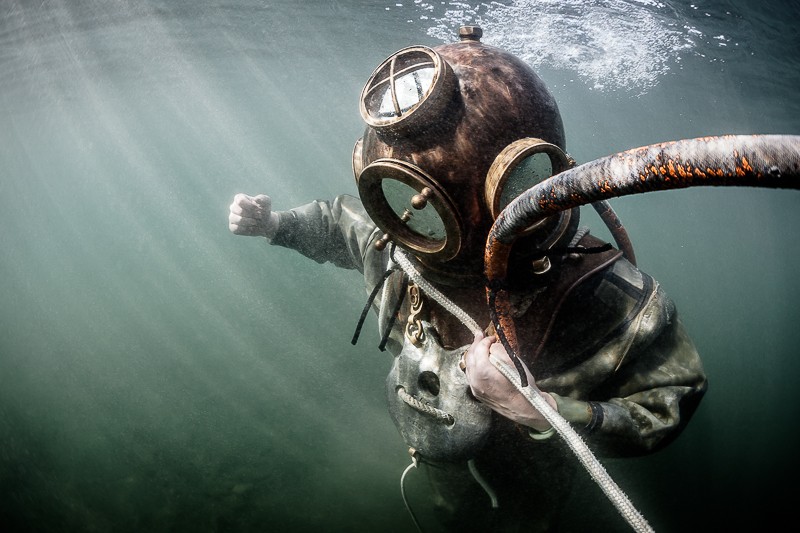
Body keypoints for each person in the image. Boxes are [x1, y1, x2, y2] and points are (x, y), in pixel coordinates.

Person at [228, 26, 707, 532]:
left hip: (535, 470)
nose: (409, 223)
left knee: (528, 519)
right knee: (451, 511)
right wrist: (276, 225)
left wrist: (544, 412)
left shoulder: (599, 292)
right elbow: (340, 223)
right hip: (438, 453)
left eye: (427, 208)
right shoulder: (399, 244)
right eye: (395, 201)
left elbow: (670, 396)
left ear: (517, 186)